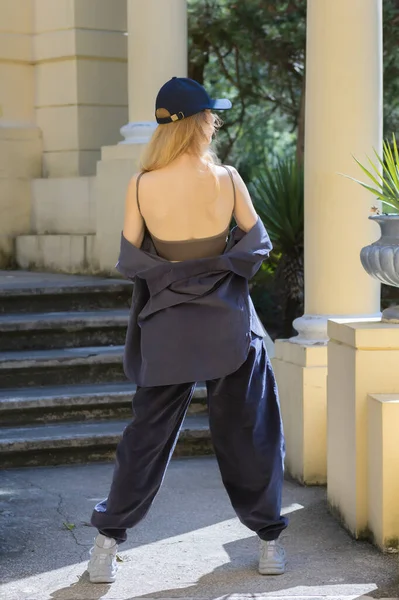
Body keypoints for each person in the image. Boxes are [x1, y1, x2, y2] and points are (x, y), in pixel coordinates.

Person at [87, 77, 287, 584]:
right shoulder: (228, 178)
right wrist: (214, 271)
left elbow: (130, 259)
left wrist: (173, 274)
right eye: (210, 116)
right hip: (228, 326)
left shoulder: (140, 184)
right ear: (199, 122)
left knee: (146, 437)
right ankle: (268, 545)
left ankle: (105, 547)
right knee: (250, 433)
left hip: (167, 328)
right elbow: (256, 245)